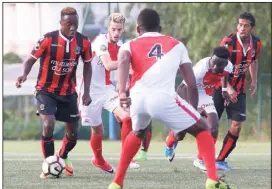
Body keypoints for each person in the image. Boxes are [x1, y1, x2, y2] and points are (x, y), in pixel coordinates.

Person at [108, 8, 234, 189]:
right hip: (163, 98)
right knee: (204, 129)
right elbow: (190, 83)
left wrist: (121, 92)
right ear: (160, 27)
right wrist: (193, 112)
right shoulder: (176, 45)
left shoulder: (128, 45)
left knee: (137, 132)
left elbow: (122, 61)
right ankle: (213, 180)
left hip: (138, 100)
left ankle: (116, 183)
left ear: (137, 29)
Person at [15, 7, 92, 179]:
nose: (72, 28)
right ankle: (48, 164)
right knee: (48, 123)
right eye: (68, 24)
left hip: (68, 92)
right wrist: (24, 74)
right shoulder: (48, 39)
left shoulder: (83, 42)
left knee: (73, 134)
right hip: (46, 90)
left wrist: (86, 91)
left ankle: (62, 157)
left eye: (75, 24)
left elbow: (88, 65)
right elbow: (30, 60)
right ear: (60, 23)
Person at [78, 12, 139, 174]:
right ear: (108, 28)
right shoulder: (100, 41)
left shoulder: (120, 48)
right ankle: (97, 159)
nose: (116, 33)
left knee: (127, 116)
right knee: (97, 131)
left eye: (119, 30)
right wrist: (128, 62)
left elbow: (124, 69)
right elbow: (108, 65)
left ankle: (127, 157)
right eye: (113, 29)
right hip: (89, 91)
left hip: (106, 89)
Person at [164, 47, 233, 172]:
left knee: (213, 127)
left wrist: (224, 90)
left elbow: (225, 75)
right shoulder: (200, 68)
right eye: (213, 63)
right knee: (180, 134)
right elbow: (187, 88)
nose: (213, 67)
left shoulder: (228, 67)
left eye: (217, 66)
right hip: (186, 93)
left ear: (224, 65)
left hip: (205, 95)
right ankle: (169, 142)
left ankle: (200, 160)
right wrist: (193, 109)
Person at [213, 12, 262, 170]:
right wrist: (228, 87)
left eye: (246, 25)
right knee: (211, 125)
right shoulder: (228, 42)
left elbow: (254, 61)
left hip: (239, 90)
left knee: (236, 125)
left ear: (252, 28)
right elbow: (219, 65)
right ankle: (177, 142)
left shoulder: (257, 43)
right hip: (220, 88)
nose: (242, 28)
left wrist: (254, 81)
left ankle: (220, 160)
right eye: (240, 24)